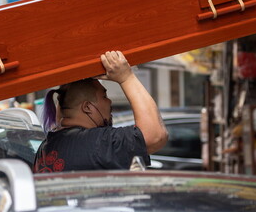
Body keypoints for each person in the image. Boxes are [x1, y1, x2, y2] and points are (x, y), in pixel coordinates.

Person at [33, 50, 168, 172]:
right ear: (87, 108)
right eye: (104, 96)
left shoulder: (45, 147)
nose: (109, 101)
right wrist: (127, 78)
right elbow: (155, 136)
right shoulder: (97, 142)